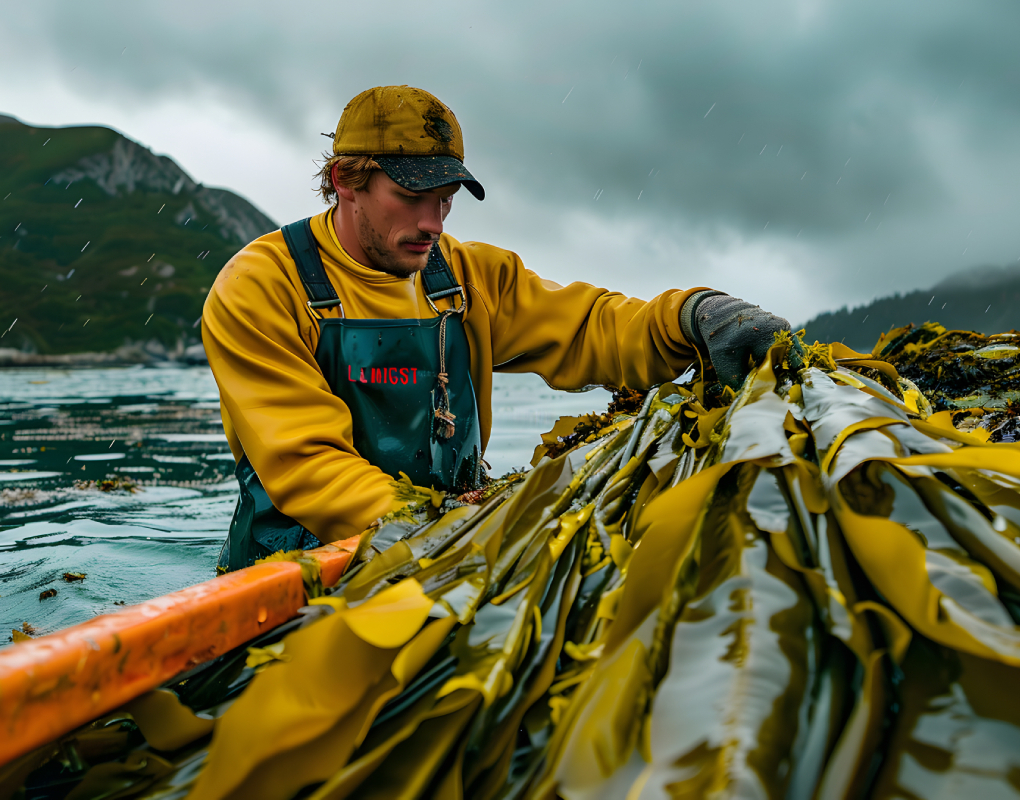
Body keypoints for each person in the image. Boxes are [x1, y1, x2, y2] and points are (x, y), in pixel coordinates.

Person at [202, 85, 790, 570]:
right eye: (411, 196)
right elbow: (307, 465)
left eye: (447, 198)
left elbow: (589, 327)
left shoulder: (466, 277)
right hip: (290, 572)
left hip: (454, 552)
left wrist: (690, 316)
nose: (433, 222)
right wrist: (449, 529)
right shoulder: (261, 286)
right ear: (344, 181)